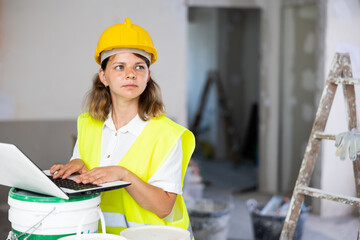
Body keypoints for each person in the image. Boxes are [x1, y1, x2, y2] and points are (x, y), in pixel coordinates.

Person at [50, 18, 195, 238]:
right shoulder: (88, 123)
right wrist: (76, 165)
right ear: (103, 76)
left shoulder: (167, 134)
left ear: (147, 76)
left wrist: (122, 174)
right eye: (120, 67)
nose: (131, 74)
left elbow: (164, 207)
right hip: (102, 234)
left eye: (139, 66)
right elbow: (84, 161)